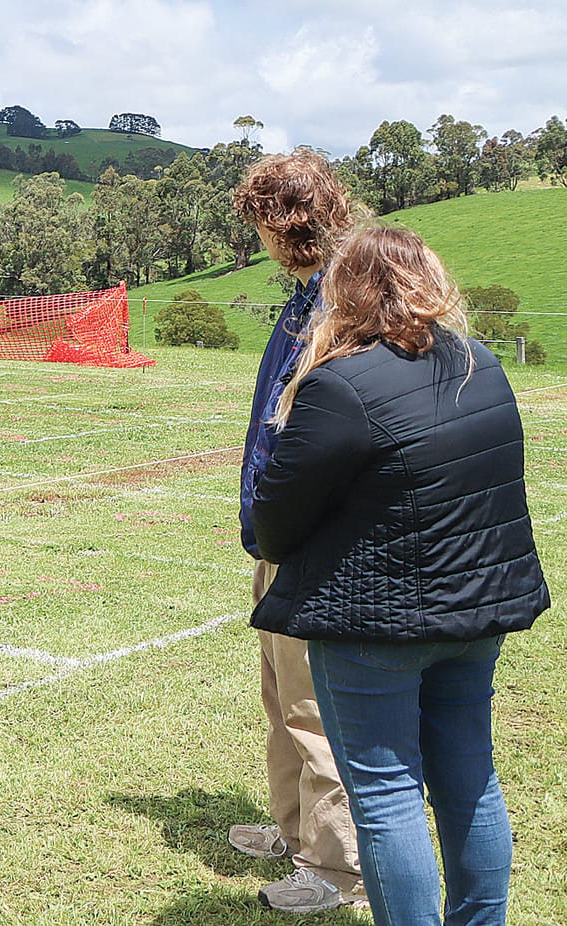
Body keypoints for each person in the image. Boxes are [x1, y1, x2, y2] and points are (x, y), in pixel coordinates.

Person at [251, 224, 548, 926]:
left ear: (347, 291)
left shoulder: (341, 383)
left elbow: (275, 520)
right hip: (475, 613)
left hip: (375, 625)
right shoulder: (480, 363)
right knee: (470, 779)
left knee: (386, 796)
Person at [229, 150, 363, 912]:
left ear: (289, 224)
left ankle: (335, 868)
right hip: (276, 531)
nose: (259, 242)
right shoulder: (305, 295)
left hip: (314, 540)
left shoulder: (345, 301)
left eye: (261, 225)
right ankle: (292, 829)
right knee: (280, 695)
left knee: (316, 710)